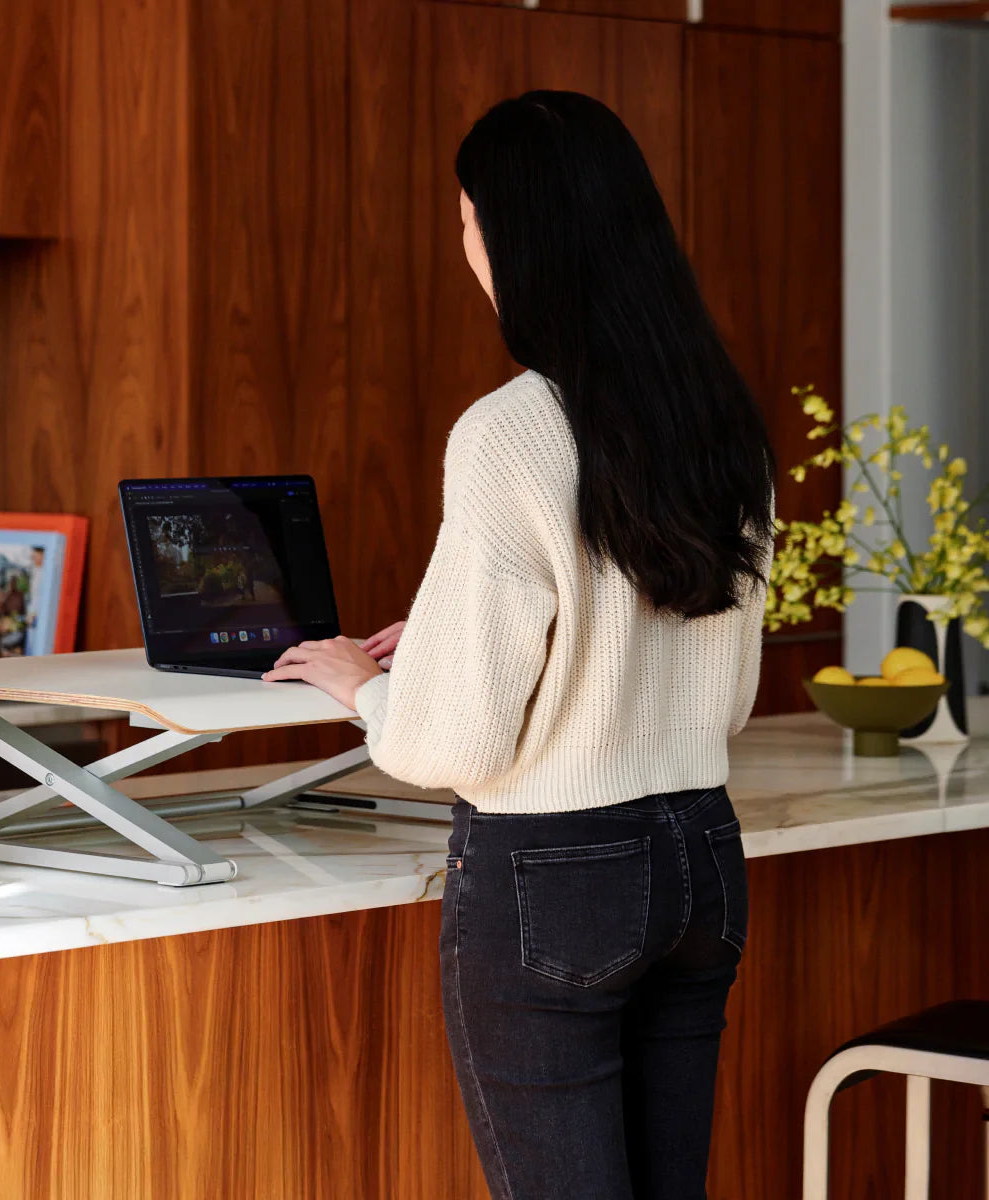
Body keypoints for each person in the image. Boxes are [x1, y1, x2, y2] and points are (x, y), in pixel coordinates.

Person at [264, 90, 775, 1200]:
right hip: (701, 851)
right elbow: (716, 685)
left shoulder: (508, 433)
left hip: (556, 874)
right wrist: (452, 634)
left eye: (466, 218)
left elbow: (455, 739)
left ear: (515, 236)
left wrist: (365, 688)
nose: (466, 245)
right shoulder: (719, 416)